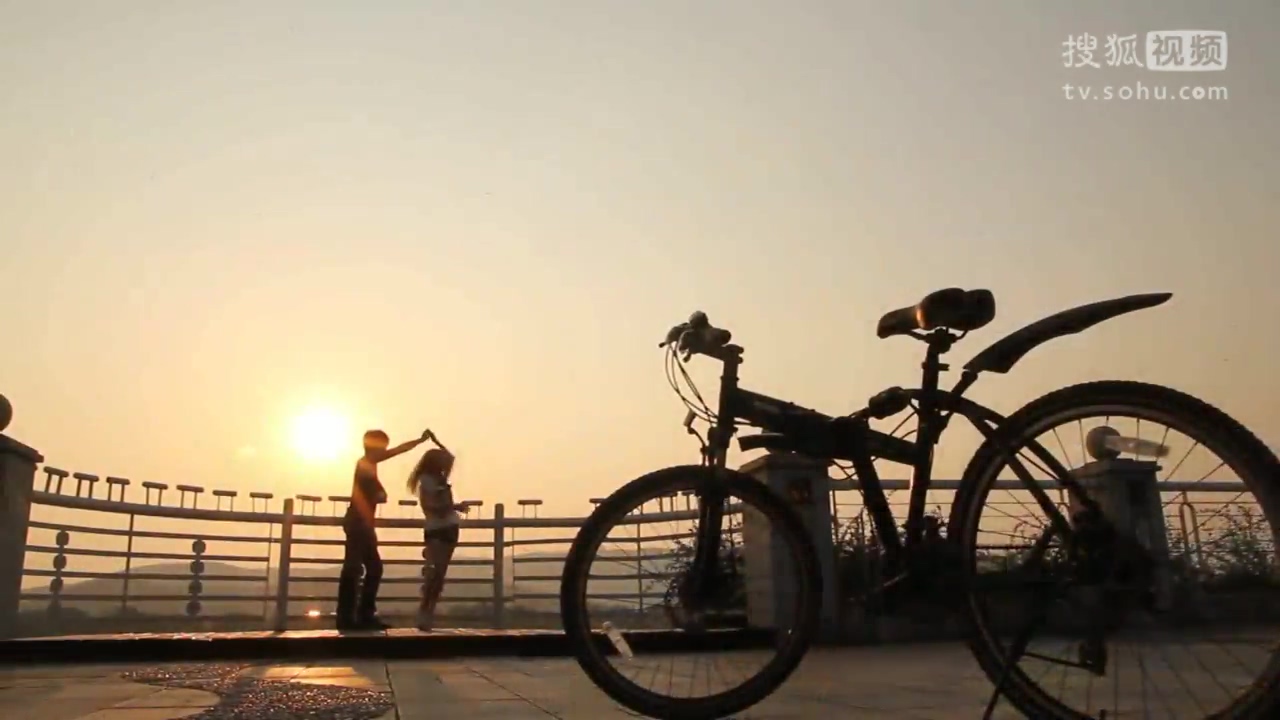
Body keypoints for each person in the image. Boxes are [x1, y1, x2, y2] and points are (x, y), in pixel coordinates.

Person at [335, 427, 431, 631]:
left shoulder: (368, 463)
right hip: (359, 523)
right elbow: (377, 493)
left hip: (360, 523)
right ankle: (356, 617)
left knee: (362, 568)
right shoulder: (365, 466)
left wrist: (419, 440)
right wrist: (380, 494)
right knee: (361, 568)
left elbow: (397, 451)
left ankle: (356, 616)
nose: (385, 451)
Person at [408, 437, 469, 631]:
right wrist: (449, 506)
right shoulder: (428, 481)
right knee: (435, 574)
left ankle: (427, 613)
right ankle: (425, 612)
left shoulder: (439, 479)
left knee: (438, 574)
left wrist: (453, 506)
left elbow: (451, 457)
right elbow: (430, 505)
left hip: (446, 526)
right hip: (439, 527)